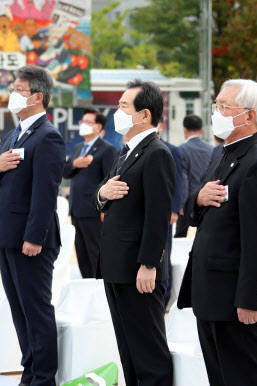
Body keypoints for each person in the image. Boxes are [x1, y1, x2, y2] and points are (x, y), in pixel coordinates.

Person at [178, 79, 257, 386]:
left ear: (249, 116)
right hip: (211, 291)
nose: (216, 113)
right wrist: (196, 198)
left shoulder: (256, 164)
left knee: (244, 376)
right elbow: (199, 211)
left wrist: (250, 299)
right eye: (216, 105)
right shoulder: (222, 154)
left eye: (224, 107)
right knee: (219, 376)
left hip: (236, 299)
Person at [0, 65, 65, 386]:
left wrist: (35, 236)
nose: (12, 95)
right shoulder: (13, 133)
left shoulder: (48, 136)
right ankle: (29, 373)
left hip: (31, 240)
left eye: (18, 90)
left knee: (35, 309)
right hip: (7, 235)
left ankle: (44, 378)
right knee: (19, 311)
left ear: (37, 97)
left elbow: (45, 194)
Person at [94, 79, 175, 386]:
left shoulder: (156, 153)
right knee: (128, 348)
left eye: (124, 106)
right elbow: (99, 195)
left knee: (148, 350)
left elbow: (158, 217)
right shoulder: (126, 151)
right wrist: (103, 193)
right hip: (117, 264)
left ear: (144, 115)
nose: (117, 111)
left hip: (138, 268)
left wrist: (149, 264)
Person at [63, 108, 116, 279]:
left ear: (98, 127)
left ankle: (99, 288)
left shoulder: (106, 149)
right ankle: (87, 284)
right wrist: (75, 164)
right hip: (77, 209)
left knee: (95, 252)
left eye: (88, 122)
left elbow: (109, 179)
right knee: (82, 253)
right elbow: (65, 172)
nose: (83, 125)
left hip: (94, 210)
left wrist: (105, 208)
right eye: (82, 122)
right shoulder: (78, 148)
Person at [156, 116, 183, 306]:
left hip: (164, 211)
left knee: (164, 252)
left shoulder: (172, 150)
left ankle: (164, 297)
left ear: (161, 125)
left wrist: (174, 209)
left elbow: (178, 181)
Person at [175, 114, 213, 238]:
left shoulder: (181, 150)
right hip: (207, 197)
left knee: (180, 235)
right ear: (201, 130)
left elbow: (183, 178)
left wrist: (182, 203)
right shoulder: (211, 149)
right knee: (204, 234)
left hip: (189, 199)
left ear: (184, 129)